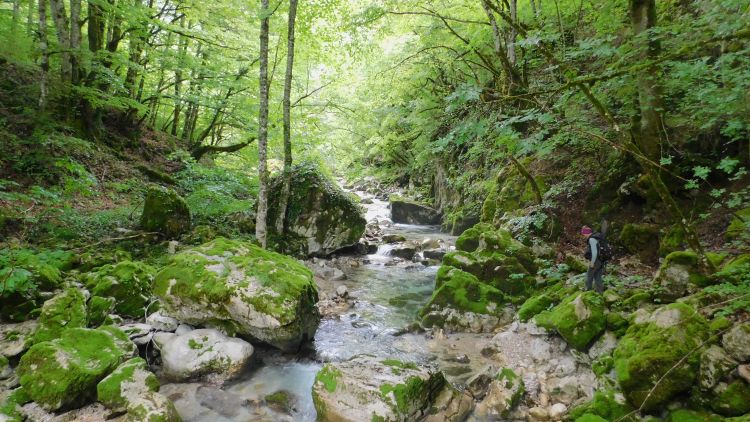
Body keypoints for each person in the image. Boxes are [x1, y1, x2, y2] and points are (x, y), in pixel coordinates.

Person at [582, 225, 606, 293]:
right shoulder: (597, 237)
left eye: (584, 234)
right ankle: (600, 292)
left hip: (595, 260)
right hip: (601, 260)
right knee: (597, 276)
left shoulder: (591, 239)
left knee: (589, 275)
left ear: (586, 233)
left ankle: (587, 291)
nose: (584, 236)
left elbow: (594, 252)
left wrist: (592, 262)